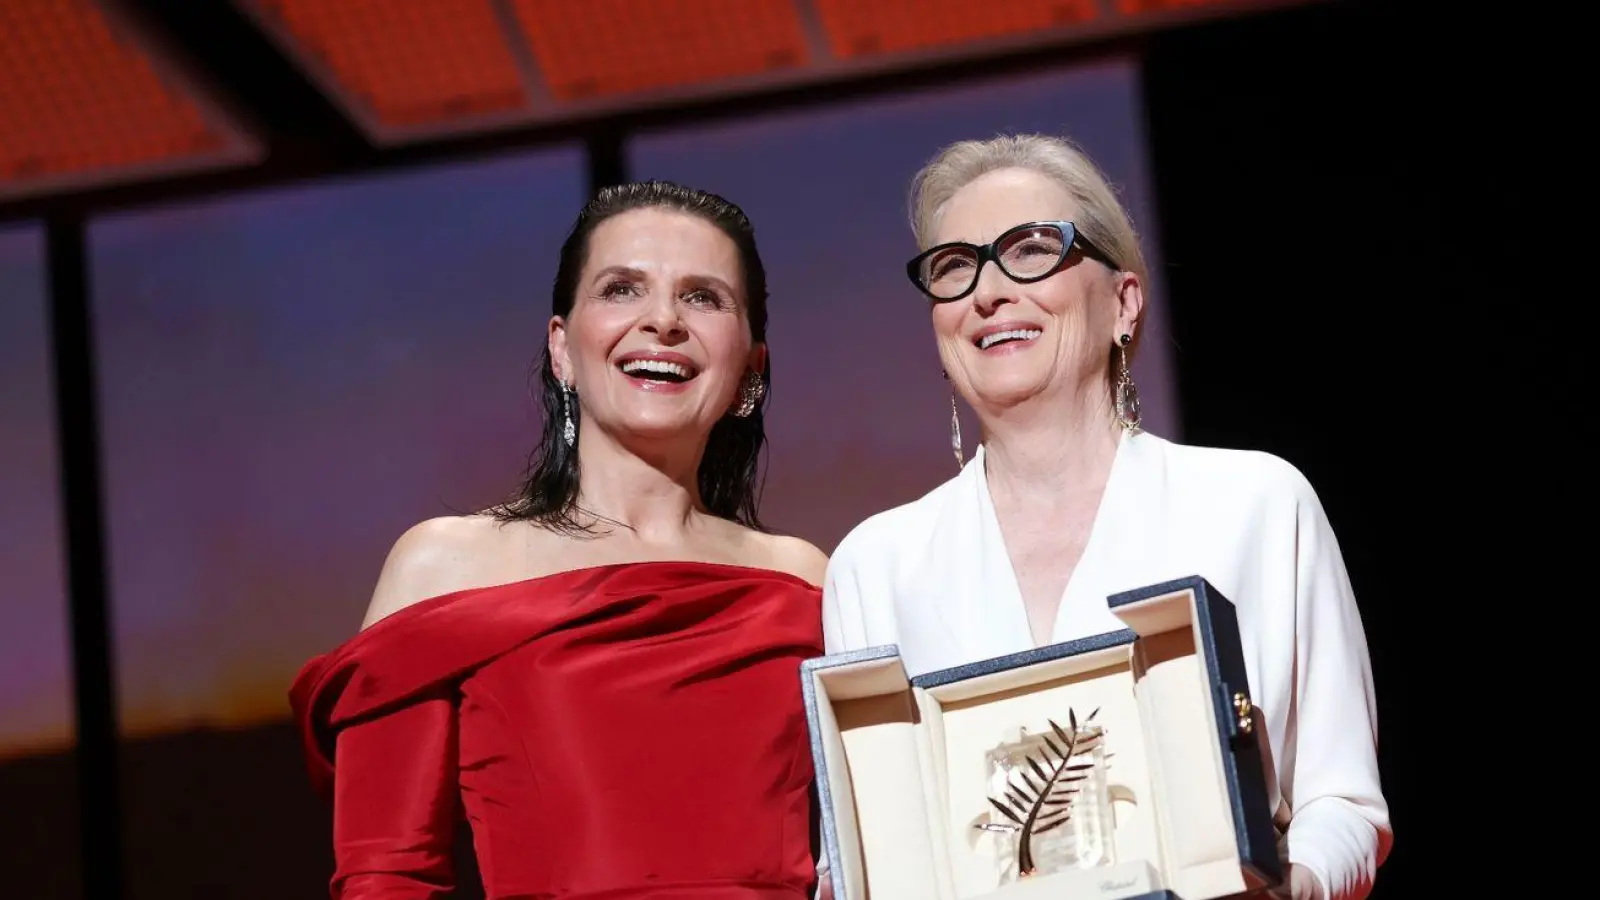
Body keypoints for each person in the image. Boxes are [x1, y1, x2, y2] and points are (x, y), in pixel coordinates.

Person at [820, 135, 1391, 900]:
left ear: (1123, 303)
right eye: (956, 268)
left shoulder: (1255, 504)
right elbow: (859, 855)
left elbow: (1342, 801)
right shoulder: (876, 565)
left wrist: (1297, 885)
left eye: (1029, 249)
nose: (988, 292)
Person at [289, 181, 830, 900]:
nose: (662, 320)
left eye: (703, 297)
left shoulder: (808, 581)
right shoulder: (446, 566)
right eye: (621, 289)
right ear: (562, 349)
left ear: (749, 372)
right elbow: (389, 878)